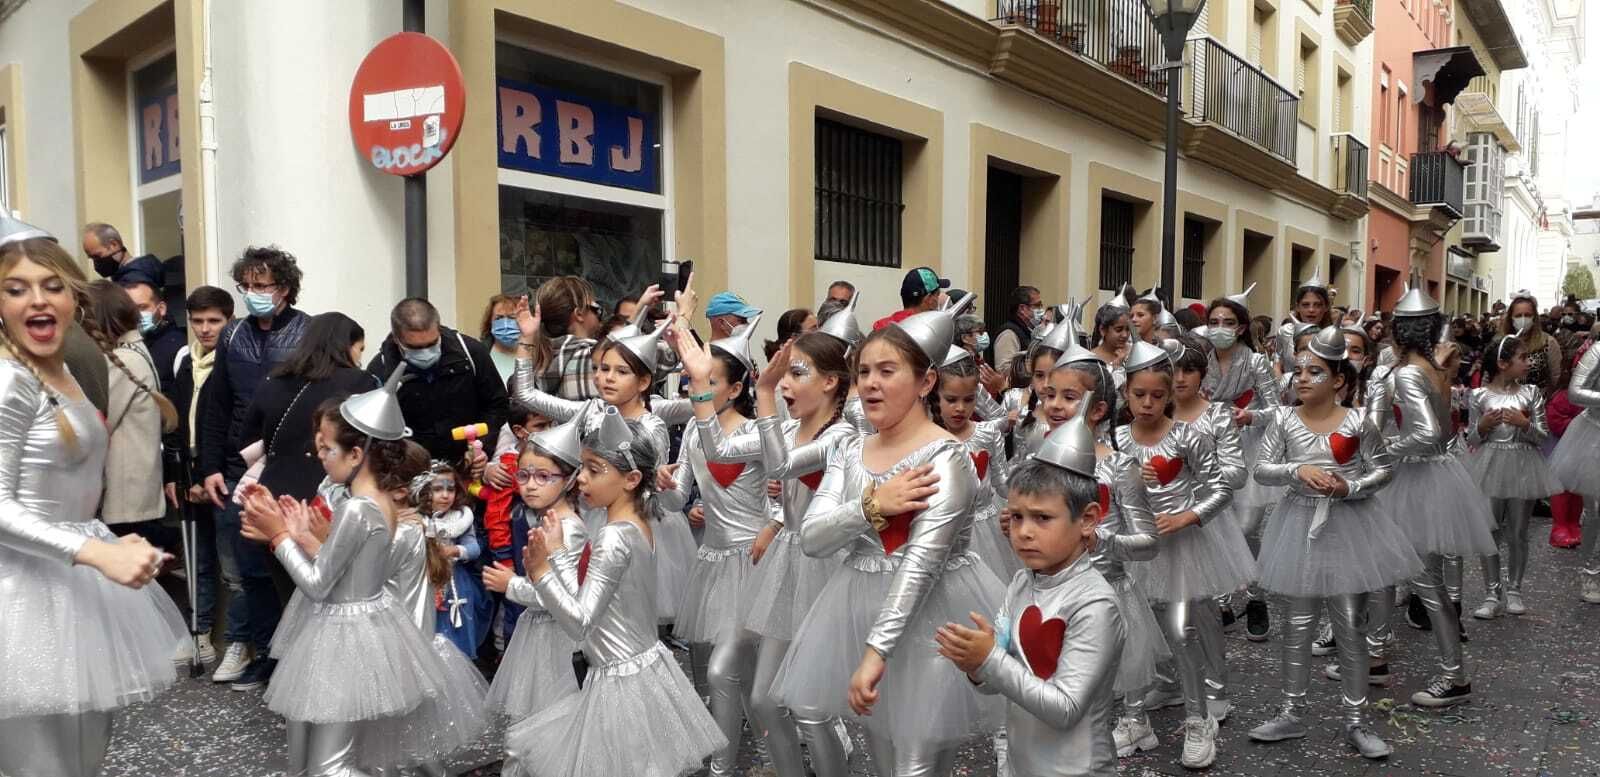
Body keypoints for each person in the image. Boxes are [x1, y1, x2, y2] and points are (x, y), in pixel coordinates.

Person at [771, 307, 1005, 776]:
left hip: (934, 622)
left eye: (887, 371)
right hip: (857, 610)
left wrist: (875, 654)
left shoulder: (947, 459)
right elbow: (813, 538)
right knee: (881, 758)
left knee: (913, 766)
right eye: (863, 373)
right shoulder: (850, 449)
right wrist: (872, 505)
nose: (871, 384)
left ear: (925, 382)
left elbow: (921, 565)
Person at [0, 229, 186, 777]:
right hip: (19, 599)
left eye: (51, 285)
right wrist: (96, 551)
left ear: (72, 297)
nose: (36, 299)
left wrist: (106, 541)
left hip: (72, 589)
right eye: (15, 289)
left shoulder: (62, 372)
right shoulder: (9, 380)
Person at [238, 376, 476, 777]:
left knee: (331, 765)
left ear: (356, 455)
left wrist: (279, 537)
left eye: (328, 448)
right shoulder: (378, 504)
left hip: (345, 638)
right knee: (341, 756)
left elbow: (318, 584)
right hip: (363, 630)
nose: (320, 457)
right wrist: (295, 535)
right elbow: (345, 570)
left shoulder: (357, 509)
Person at [501, 408, 727, 777]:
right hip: (643, 668)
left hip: (620, 681)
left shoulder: (612, 537)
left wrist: (541, 572)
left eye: (595, 470)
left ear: (631, 478)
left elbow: (581, 622)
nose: (582, 480)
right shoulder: (636, 525)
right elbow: (597, 600)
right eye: (584, 468)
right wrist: (558, 556)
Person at [1247, 327, 1418, 760]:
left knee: (1349, 624)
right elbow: (1263, 468)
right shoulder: (1285, 419)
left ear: (1339, 380)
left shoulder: (1359, 421)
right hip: (1298, 522)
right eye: (1299, 371)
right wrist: (1296, 472)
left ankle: (1357, 721)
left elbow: (1383, 471)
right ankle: (1290, 713)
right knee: (1298, 624)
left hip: (1349, 525)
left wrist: (1350, 487)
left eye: (1315, 372)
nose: (1301, 378)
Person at [938, 400, 1124, 777]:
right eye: (1018, 516)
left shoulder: (1095, 604)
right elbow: (1003, 679)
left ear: (1088, 519)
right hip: (1023, 762)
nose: (1023, 531)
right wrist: (977, 666)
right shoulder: (1024, 580)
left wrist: (989, 659)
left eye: (1042, 518)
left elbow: (1064, 708)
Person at [665, 319, 799, 777]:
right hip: (712, 565)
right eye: (692, 380)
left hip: (755, 563)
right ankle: (752, 762)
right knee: (713, 679)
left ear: (737, 386)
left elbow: (785, 491)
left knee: (739, 676)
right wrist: (663, 488)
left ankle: (750, 766)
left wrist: (774, 523)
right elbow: (675, 497)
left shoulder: (757, 432)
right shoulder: (692, 434)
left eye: (708, 380)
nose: (695, 387)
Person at [1114, 339, 1253, 769]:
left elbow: (1221, 488)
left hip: (1180, 548)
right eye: (1139, 395)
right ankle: (1135, 718)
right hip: (1136, 551)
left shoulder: (1187, 436)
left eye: (1158, 395)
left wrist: (1187, 516)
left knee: (1179, 632)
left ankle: (1197, 720)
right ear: (1124, 394)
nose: (1149, 403)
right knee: (1132, 633)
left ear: (1171, 394)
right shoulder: (1117, 439)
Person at [197, 245, 310, 689]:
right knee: (247, 571)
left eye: (261, 285)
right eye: (246, 285)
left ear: (284, 288)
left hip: (286, 466)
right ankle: (263, 653)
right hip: (233, 467)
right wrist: (209, 466)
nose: (252, 293)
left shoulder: (307, 332)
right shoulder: (232, 335)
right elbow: (217, 405)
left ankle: (293, 657)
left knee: (287, 567)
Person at [1379, 285, 1496, 708]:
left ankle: (1454, 675)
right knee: (1416, 577)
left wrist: (1383, 451)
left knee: (1425, 583)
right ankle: (1376, 652)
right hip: (1433, 477)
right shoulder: (1433, 366)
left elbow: (1427, 433)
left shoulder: (1409, 372)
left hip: (1417, 478)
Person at [481, 414, 588, 724]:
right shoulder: (547, 520)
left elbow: (564, 597)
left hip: (556, 638)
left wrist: (511, 585)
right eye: (523, 475)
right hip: (537, 632)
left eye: (543, 477)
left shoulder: (568, 529)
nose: (529, 486)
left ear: (568, 479)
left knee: (549, 720)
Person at [1203, 289, 1279, 641]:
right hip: (1207, 450)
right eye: (1214, 322)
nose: (1220, 328)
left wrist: (1250, 416)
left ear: (1242, 327)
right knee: (1213, 524)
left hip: (1247, 449)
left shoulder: (1256, 362)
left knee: (1247, 528)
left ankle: (1255, 597)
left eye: (1228, 322)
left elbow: (1277, 410)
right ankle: (1220, 601)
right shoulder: (1199, 359)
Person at [1465, 335, 1558, 619]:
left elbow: (1543, 436)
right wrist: (1481, 425)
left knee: (1518, 532)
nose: (1528, 363)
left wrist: (1524, 423)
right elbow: (1472, 438)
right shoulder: (1480, 396)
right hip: (1490, 464)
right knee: (1490, 531)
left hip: (1522, 465)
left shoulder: (1531, 393)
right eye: (1523, 358)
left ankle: (1515, 589)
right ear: (1503, 364)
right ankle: (1492, 593)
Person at [168, 285, 235, 667]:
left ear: (228, 320)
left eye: (215, 321)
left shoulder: (234, 360)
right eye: (198, 321)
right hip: (188, 466)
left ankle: (236, 639)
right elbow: (177, 418)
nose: (206, 329)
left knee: (230, 563)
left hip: (220, 472)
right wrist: (175, 474)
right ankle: (200, 632)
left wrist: (210, 472)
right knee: (198, 558)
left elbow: (229, 423)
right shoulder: (185, 361)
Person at [84, 281, 181, 544]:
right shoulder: (135, 350)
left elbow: (99, 422)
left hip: (125, 492)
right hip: (134, 489)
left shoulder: (124, 359)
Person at [368, 298, 510, 470]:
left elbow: (497, 405)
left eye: (432, 344)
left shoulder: (470, 353)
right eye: (416, 347)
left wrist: (482, 447)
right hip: (412, 471)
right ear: (397, 339)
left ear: (439, 329)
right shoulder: (382, 370)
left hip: (467, 466)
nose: (426, 352)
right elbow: (376, 430)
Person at [416, 461, 493, 660]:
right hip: (426, 580)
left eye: (450, 489)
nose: (445, 495)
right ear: (425, 491)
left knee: (456, 628)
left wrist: (454, 550)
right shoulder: (418, 519)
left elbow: (474, 548)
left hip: (456, 582)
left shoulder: (461, 517)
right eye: (438, 489)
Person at [1548, 323, 1600, 603]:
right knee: (1595, 511)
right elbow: (1576, 391)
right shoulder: (1598, 352)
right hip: (1595, 434)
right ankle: (1591, 573)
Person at [1499, 292, 1563, 396]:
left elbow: (1557, 378)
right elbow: (1489, 376)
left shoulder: (1548, 342)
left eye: (1528, 315)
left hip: (1538, 405)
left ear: (1534, 318)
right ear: (1511, 318)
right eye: (1518, 315)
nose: (1523, 319)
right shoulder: (1502, 342)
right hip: (1505, 403)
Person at [82, 222, 163, 289]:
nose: (96, 263)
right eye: (92, 258)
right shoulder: (145, 270)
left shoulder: (132, 282)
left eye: (97, 256)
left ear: (114, 244)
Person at [871, 266, 950, 331]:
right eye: (937, 294)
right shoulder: (928, 334)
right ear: (928, 299)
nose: (938, 299)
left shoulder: (880, 328)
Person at [991, 285, 1043, 371]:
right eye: (1037, 305)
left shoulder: (1029, 330)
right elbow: (1004, 369)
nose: (1041, 309)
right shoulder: (1008, 334)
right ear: (1022, 308)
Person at [481, 293, 521, 385]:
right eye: (499, 318)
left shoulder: (536, 352)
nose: (505, 324)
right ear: (489, 322)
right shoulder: (480, 354)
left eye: (512, 317)